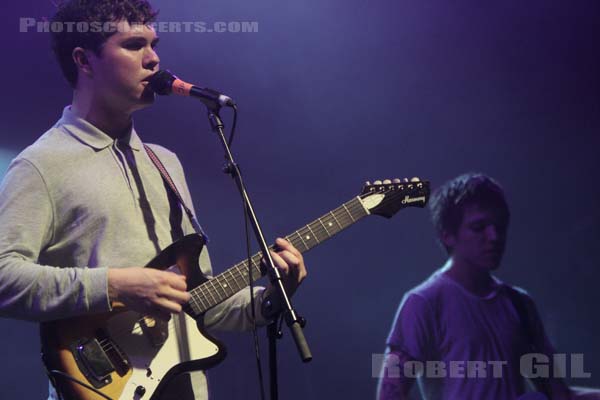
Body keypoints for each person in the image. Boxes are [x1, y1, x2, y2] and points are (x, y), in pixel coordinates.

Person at [0, 1, 306, 399]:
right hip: (99, 384)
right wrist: (115, 286)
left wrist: (269, 299)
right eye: (133, 45)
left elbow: (198, 299)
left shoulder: (166, 163)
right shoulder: (42, 164)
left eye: (154, 44)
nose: (154, 58)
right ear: (85, 60)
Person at [377, 173, 596, 400]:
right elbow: (390, 394)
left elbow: (560, 396)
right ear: (448, 236)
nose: (494, 236)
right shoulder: (424, 303)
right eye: (479, 227)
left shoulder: (520, 304)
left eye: (499, 226)